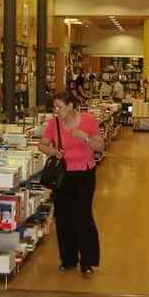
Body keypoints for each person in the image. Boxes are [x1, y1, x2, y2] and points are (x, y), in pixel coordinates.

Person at [38, 91, 105, 276]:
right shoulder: (54, 124)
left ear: (70, 106)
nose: (56, 110)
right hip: (63, 175)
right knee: (64, 217)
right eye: (54, 107)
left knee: (83, 216)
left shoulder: (88, 121)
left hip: (84, 174)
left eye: (59, 107)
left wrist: (84, 137)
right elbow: (42, 145)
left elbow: (100, 147)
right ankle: (68, 260)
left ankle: (87, 261)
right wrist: (52, 152)